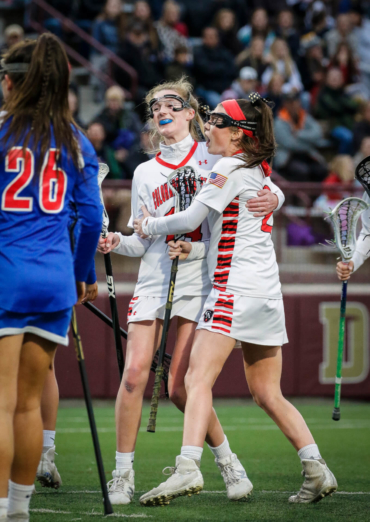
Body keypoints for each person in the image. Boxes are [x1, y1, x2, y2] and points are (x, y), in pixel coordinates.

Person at [134, 94, 337, 506]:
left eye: (216, 120)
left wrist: (148, 223)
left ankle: (188, 466)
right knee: (267, 393)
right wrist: (277, 197)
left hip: (233, 287)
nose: (208, 125)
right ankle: (317, 468)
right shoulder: (254, 168)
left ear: (240, 134)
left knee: (195, 379)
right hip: (266, 291)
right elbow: (268, 191)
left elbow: (190, 220)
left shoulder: (228, 165)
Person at [97, 78, 284, 506]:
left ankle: (228, 464)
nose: (161, 109)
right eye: (154, 105)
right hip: (153, 280)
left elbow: (263, 182)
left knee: (181, 387)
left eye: (171, 103)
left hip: (200, 280)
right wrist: (115, 243)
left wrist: (276, 197)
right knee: (133, 375)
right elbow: (141, 241)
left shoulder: (213, 155)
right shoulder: (144, 173)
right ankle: (122, 474)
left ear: (190, 113)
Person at [0, 33, 102, 521]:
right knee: (26, 406)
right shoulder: (74, 139)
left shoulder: (1, 132)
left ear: (13, 83)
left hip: (5, 277)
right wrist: (82, 274)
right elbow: (93, 219)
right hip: (56, 281)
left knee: (0, 406)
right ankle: (19, 510)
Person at [274, 92, 328, 182]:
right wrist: (309, 143)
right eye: (290, 102)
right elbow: (289, 143)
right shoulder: (279, 122)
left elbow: (318, 133)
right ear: (285, 104)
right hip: (288, 157)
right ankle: (300, 196)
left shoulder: (305, 117)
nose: (293, 105)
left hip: (307, 154)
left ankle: (318, 196)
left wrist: (298, 134)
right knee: (302, 171)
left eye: (295, 102)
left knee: (321, 169)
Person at [193, 27, 237, 108]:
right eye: (208, 36)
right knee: (219, 104)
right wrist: (221, 68)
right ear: (203, 38)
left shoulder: (224, 51)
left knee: (237, 102)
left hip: (225, 87)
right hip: (206, 89)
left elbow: (232, 69)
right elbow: (206, 69)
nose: (211, 39)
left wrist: (216, 68)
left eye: (213, 36)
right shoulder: (198, 52)